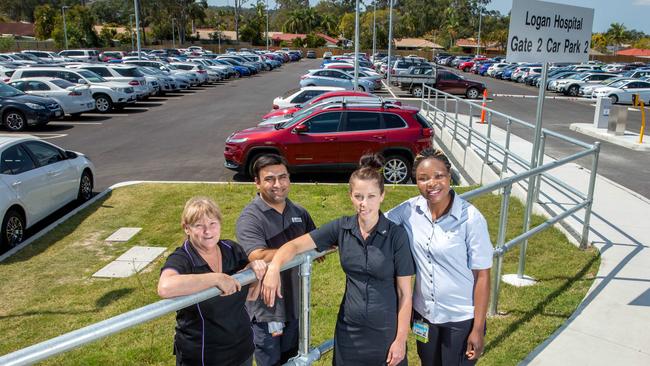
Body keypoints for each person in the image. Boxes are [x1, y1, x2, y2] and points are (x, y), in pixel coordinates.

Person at [261, 154, 415, 366]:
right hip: (349, 330)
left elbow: (405, 294)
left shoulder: (396, 235)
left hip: (385, 332)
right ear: (350, 195)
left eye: (371, 196)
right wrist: (274, 267)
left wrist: (400, 340)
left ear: (382, 196)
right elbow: (295, 245)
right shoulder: (341, 228)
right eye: (358, 196)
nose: (364, 203)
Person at [386, 148, 493, 366]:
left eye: (439, 176)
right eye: (423, 178)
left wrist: (478, 328)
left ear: (449, 175)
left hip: (460, 320)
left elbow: (482, 276)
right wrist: (338, 235)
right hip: (424, 316)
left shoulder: (471, 219)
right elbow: (375, 223)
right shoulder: (409, 210)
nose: (431, 184)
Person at [158, 196, 267, 366]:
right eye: (199, 226)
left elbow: (251, 296)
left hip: (242, 350)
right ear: (186, 228)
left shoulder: (232, 249)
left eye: (212, 224)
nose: (207, 231)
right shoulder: (183, 258)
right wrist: (215, 278)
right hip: (204, 356)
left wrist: (255, 272)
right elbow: (165, 287)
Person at [236, 154, 316, 366]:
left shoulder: (299, 212)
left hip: (297, 304)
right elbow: (258, 255)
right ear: (257, 182)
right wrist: (298, 249)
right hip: (268, 312)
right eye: (269, 179)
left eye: (283, 177)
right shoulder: (250, 217)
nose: (278, 184)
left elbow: (318, 245)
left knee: (295, 361)